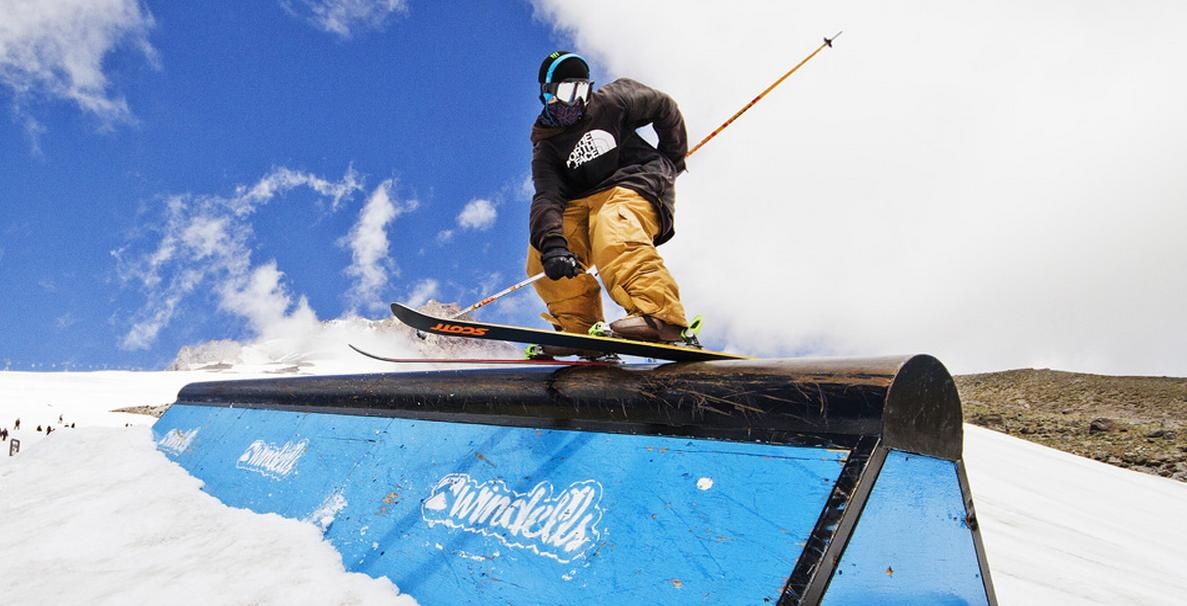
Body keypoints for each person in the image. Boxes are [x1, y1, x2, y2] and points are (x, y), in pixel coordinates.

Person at [526, 50, 691, 354]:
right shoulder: (547, 147)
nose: (576, 100)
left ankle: (660, 315)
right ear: (547, 95)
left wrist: (673, 157)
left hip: (634, 182)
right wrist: (553, 246)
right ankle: (580, 328)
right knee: (541, 253)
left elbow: (663, 106)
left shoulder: (612, 101)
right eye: (567, 91)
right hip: (584, 202)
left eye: (582, 90)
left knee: (613, 225)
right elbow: (547, 197)